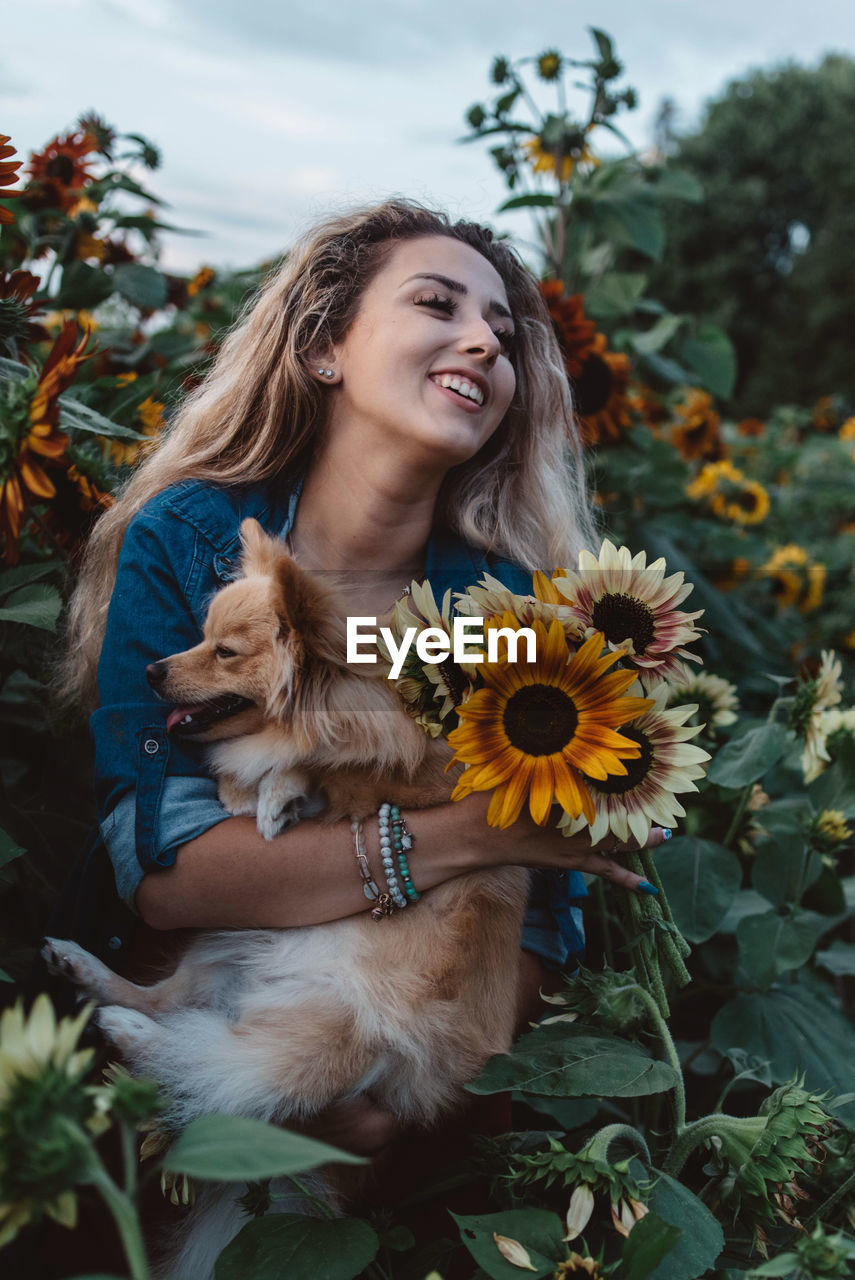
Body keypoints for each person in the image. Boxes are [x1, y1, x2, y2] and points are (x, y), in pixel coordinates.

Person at [57, 199, 668, 1155]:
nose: (481, 342)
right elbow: (171, 878)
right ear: (322, 347)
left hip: (400, 1100)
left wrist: (398, 1094)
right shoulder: (188, 540)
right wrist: (469, 832)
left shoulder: (518, 618)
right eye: (437, 304)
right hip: (166, 1056)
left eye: (502, 335)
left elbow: (548, 927)